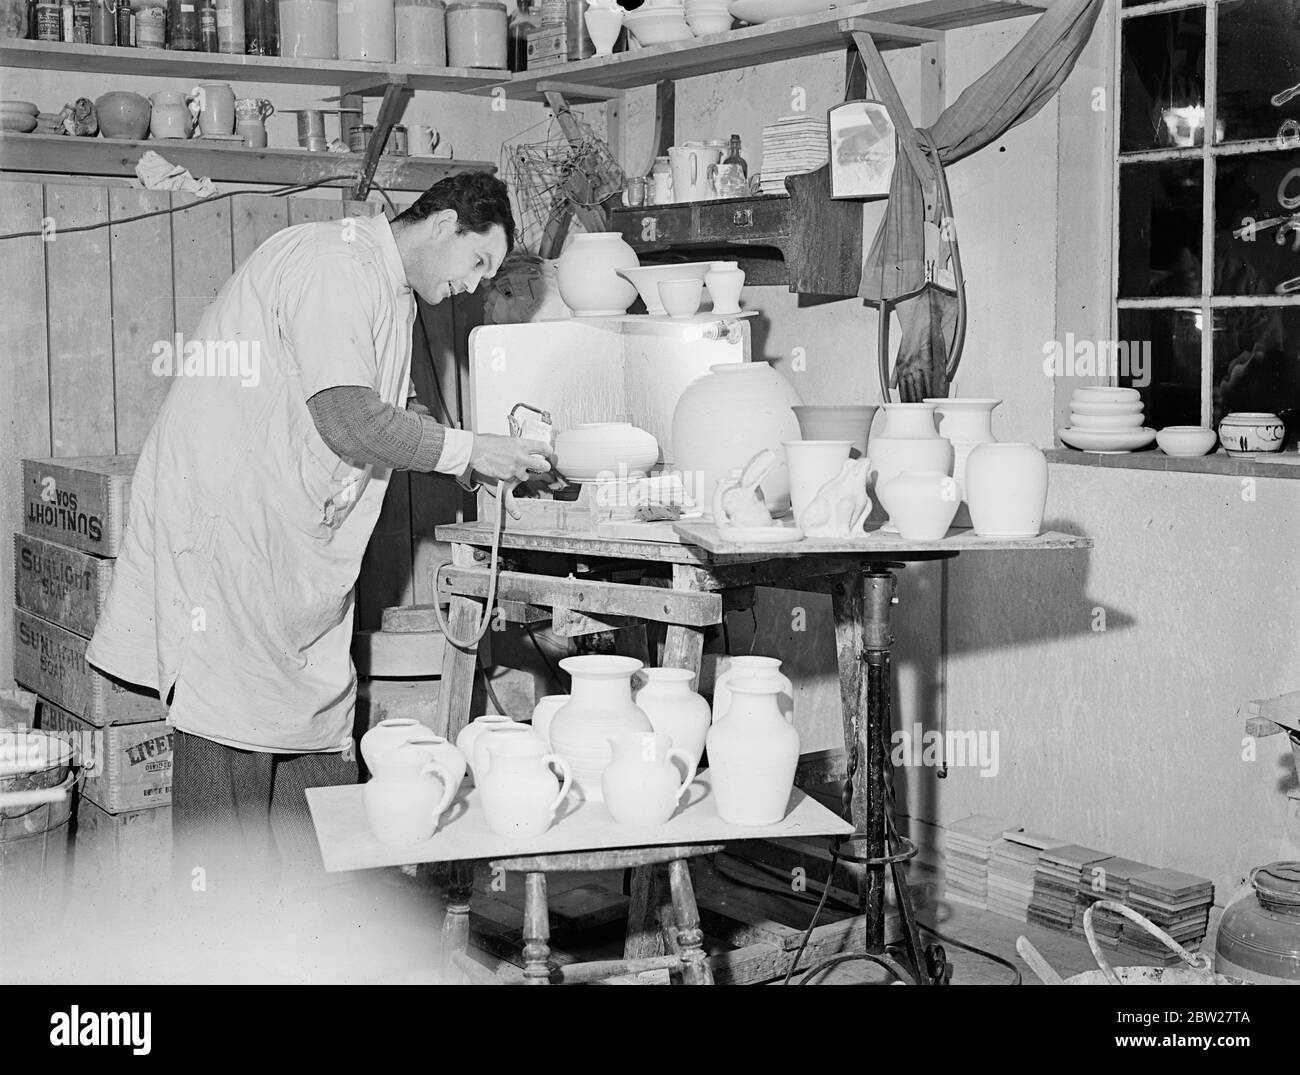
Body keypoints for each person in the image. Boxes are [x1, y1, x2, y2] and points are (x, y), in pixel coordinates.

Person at [86, 172, 554, 894]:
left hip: (293, 556)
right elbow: (348, 418)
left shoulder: (388, 290)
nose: (476, 284)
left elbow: (387, 414)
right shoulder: (333, 262)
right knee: (228, 764)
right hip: (232, 543)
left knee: (316, 773)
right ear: (442, 225)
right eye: (479, 262)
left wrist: (472, 459)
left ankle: (312, 948)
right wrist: (469, 450)